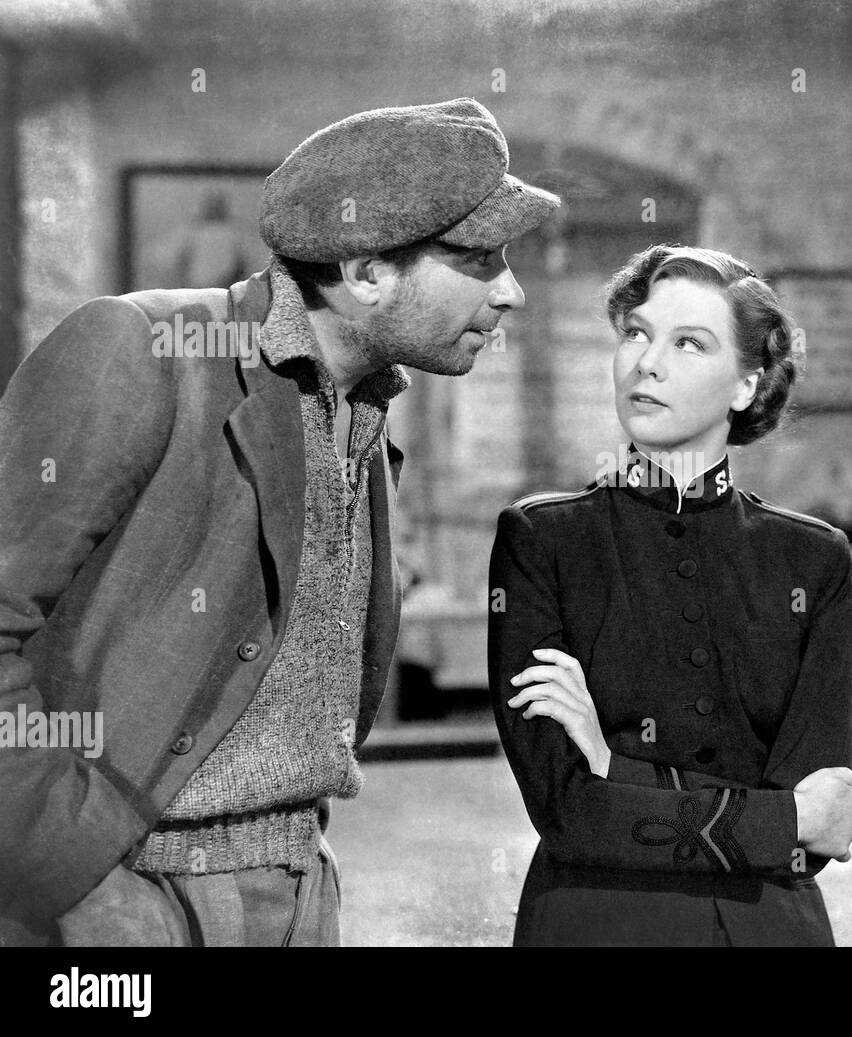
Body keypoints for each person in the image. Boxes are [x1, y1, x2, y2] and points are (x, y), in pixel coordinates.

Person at [0, 98, 559, 947]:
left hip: (299, 883)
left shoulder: (362, 411)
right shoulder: (141, 351)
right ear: (367, 272)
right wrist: (76, 886)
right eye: (480, 259)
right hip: (126, 889)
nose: (511, 291)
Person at [488, 244, 852, 946]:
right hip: (597, 921)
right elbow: (569, 812)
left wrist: (614, 763)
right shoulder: (543, 541)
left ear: (746, 386)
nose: (646, 362)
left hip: (767, 927)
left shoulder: (813, 559)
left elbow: (820, 830)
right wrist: (777, 817)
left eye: (689, 343)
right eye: (636, 332)